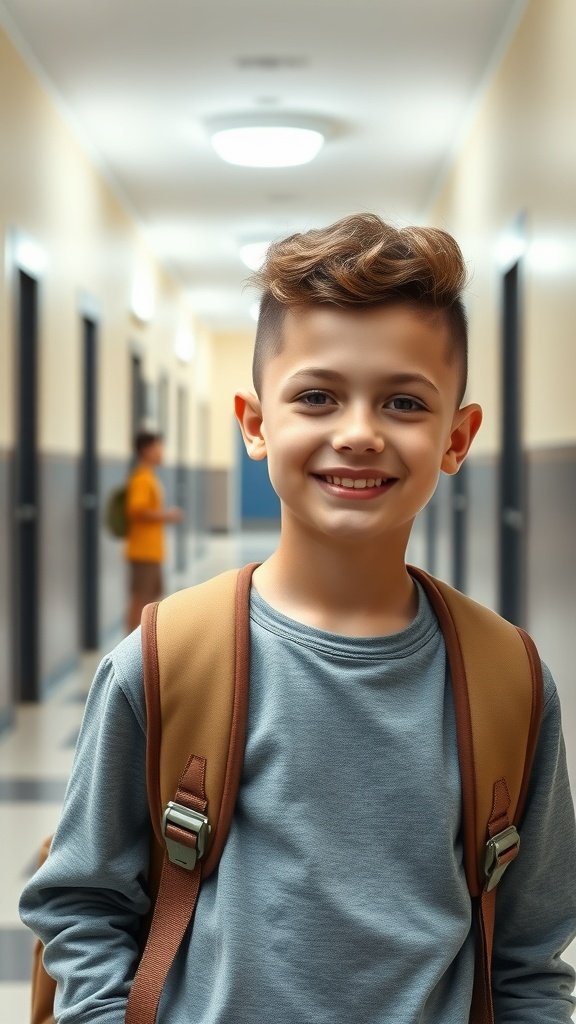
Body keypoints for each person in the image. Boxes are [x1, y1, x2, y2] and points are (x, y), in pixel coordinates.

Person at [20, 214, 576, 1022]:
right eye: (316, 396)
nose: (358, 433)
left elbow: (528, 954)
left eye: (403, 402)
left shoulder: (510, 681)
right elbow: (84, 906)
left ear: (458, 437)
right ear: (255, 424)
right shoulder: (167, 660)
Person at [124, 429, 183, 632]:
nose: (161, 452)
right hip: (143, 551)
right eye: (158, 448)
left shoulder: (149, 476)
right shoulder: (142, 478)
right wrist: (167, 516)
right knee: (140, 598)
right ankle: (128, 646)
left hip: (151, 550)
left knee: (150, 596)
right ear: (146, 450)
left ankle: (140, 641)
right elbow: (136, 511)